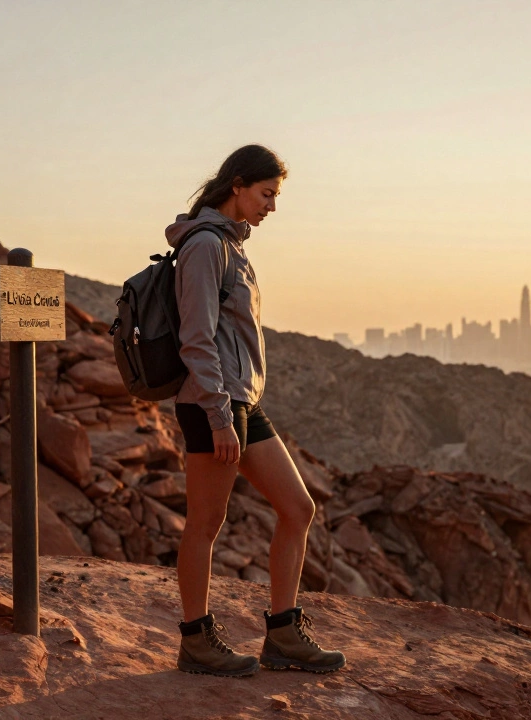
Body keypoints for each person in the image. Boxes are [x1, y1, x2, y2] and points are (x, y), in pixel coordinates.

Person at [167, 145, 346, 677]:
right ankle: (195, 641)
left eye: (275, 196)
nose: (272, 206)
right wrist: (219, 417)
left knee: (298, 508)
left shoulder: (230, 245)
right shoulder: (206, 246)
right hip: (213, 402)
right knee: (206, 523)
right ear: (238, 186)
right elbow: (196, 339)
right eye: (267, 194)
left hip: (242, 400)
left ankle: (284, 635)